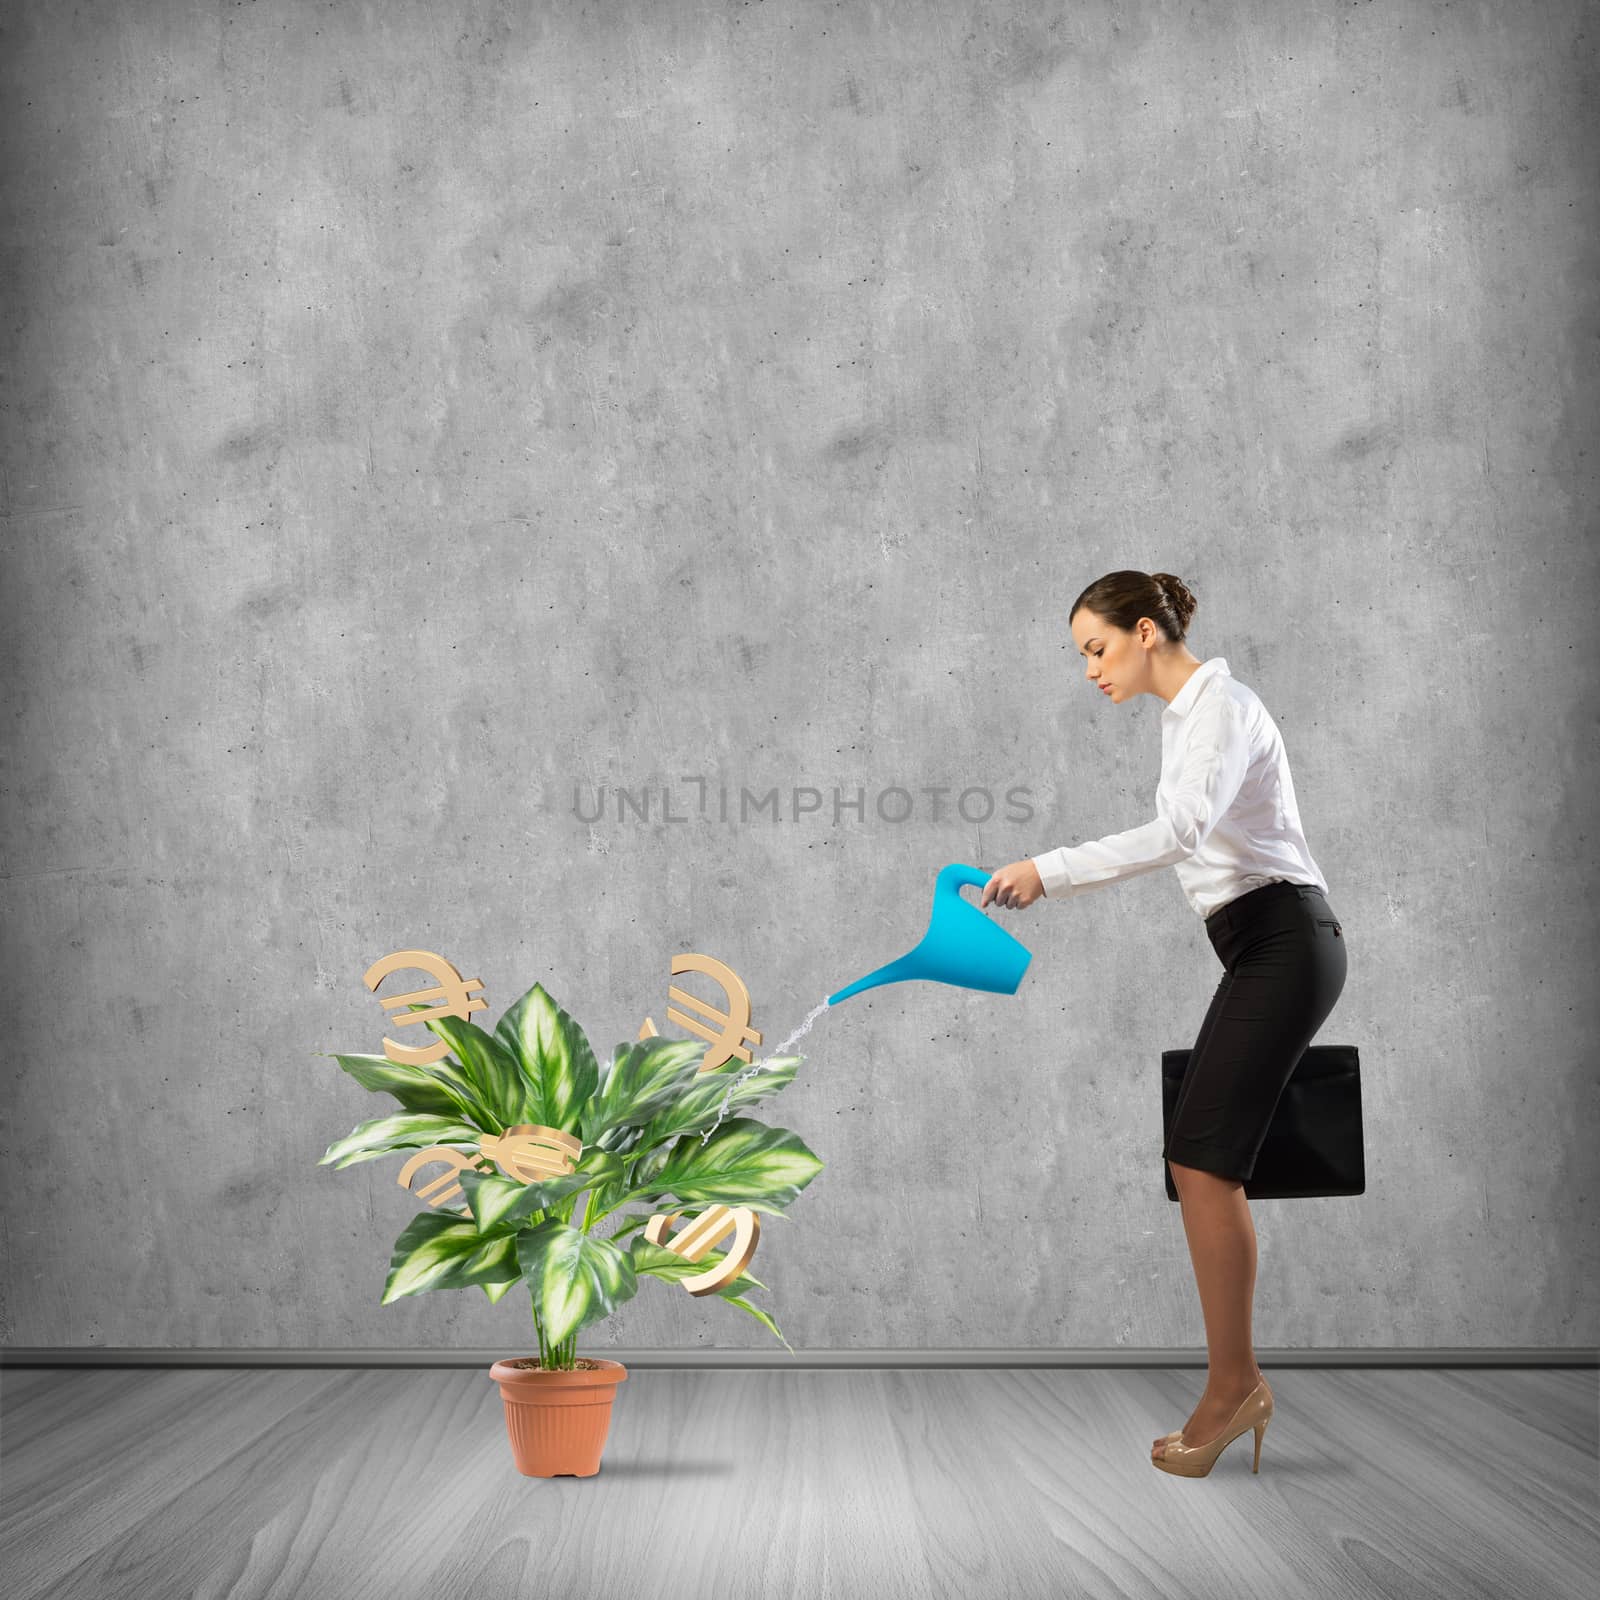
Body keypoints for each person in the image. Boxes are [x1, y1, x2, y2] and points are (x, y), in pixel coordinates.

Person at [980, 569, 1348, 1478]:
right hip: (1265, 942)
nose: (1090, 671)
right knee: (1198, 1153)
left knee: (1200, 1156)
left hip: (1285, 939)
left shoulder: (1219, 707)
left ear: (1147, 631)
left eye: (1096, 649)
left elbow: (1183, 831)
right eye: (1081, 658)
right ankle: (1235, 1384)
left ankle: (1235, 1387)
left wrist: (1048, 868)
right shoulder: (1185, 718)